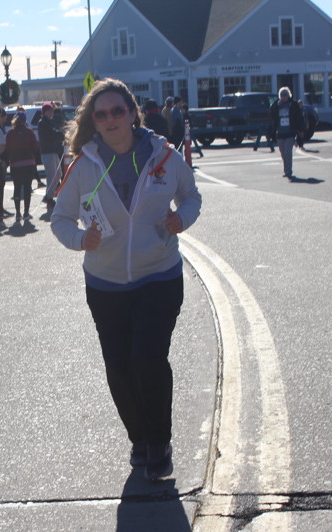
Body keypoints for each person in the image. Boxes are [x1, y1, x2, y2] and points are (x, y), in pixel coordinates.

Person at [50, 78, 202, 481]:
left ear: (133, 113)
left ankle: (160, 443)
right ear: (94, 121)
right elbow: (60, 218)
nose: (110, 119)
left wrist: (181, 219)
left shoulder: (164, 156)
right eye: (101, 114)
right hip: (106, 285)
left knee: (148, 357)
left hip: (159, 275)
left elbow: (191, 196)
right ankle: (140, 439)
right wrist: (81, 240)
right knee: (118, 367)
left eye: (118, 110)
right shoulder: (83, 165)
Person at [4, 112, 40, 223]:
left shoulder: (10, 133)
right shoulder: (29, 132)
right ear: (25, 121)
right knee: (27, 187)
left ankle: (18, 213)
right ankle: (26, 213)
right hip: (28, 162)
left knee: (17, 187)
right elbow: (35, 147)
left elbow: (7, 148)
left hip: (15, 163)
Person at [267, 87, 306, 179]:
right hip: (280, 132)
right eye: (282, 95)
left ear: (289, 95)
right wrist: (276, 106)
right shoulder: (276, 104)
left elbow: (299, 118)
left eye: (285, 95)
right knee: (283, 153)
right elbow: (271, 115)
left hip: (290, 132)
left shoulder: (293, 104)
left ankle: (288, 171)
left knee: (288, 152)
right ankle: (286, 169)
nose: (283, 97)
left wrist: (300, 131)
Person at [37, 103, 64, 207]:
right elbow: (51, 134)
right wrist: (60, 133)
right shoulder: (43, 123)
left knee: (58, 174)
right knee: (51, 176)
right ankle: (49, 198)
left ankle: (49, 195)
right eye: (49, 111)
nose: (51, 112)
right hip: (47, 152)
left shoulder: (50, 122)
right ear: (44, 112)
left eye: (52, 110)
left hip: (53, 151)